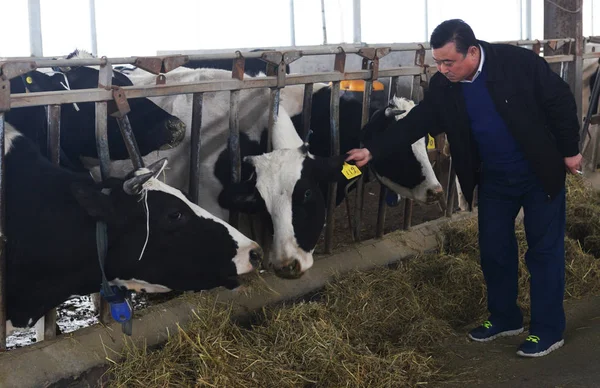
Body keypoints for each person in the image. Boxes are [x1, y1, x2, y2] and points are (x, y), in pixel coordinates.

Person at [346, 19, 582, 358]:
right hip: (495, 178)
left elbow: (559, 99)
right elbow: (419, 120)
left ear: (472, 51)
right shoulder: (446, 86)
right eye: (437, 62)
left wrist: (570, 150)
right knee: (493, 250)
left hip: (538, 172)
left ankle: (547, 330)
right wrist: (374, 150)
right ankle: (505, 318)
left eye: (448, 62)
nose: (442, 70)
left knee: (544, 253)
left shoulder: (516, 64)